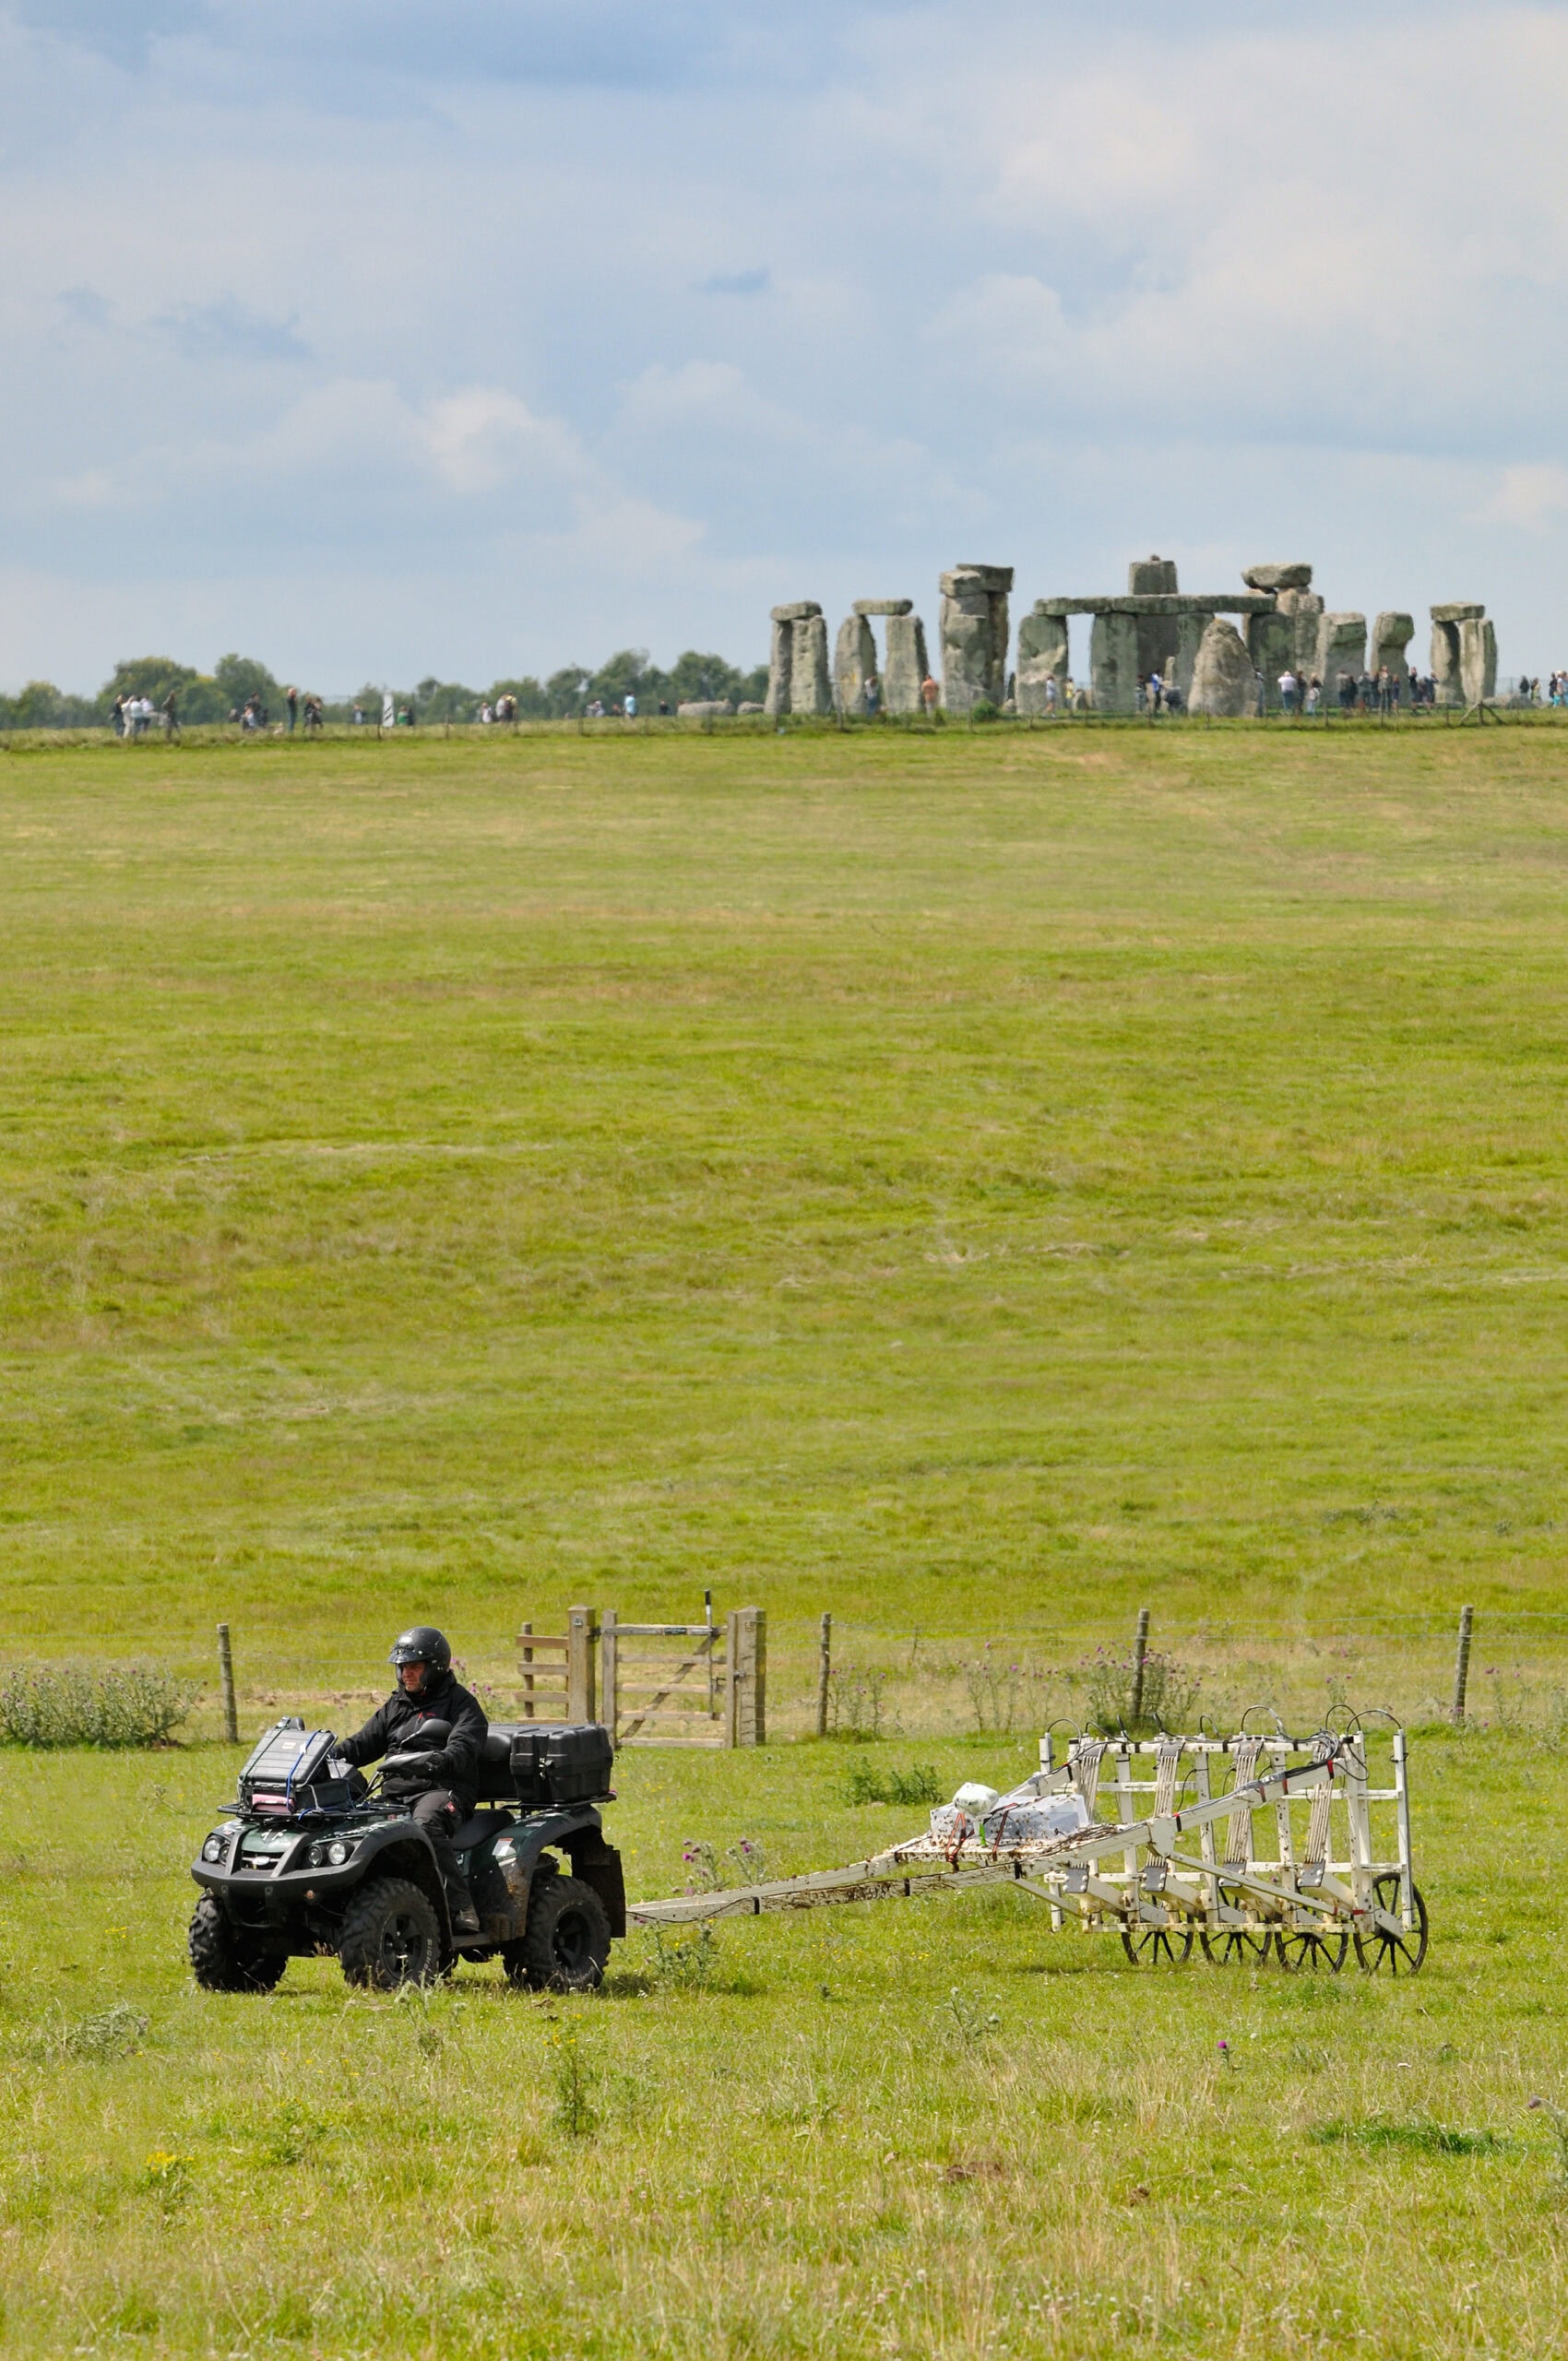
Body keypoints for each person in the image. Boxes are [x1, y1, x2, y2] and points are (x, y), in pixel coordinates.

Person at [338, 1627, 486, 1933]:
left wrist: (439, 1759)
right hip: (396, 1792)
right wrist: (326, 1754)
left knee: (425, 1826)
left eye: (414, 1667)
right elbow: (362, 1744)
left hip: (444, 1789)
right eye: (402, 1667)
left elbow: (464, 1747)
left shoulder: (462, 1704)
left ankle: (460, 1906)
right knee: (353, 1826)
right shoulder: (397, 1704)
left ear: (435, 1667)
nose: (406, 1673)